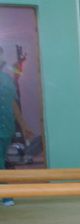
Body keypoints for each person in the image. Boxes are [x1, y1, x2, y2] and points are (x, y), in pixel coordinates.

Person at [1, 45, 34, 207]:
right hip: (6, 128)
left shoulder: (6, 79)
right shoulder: (7, 78)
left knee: (2, 162)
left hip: (5, 128)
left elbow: (13, 105)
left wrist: (24, 125)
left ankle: (6, 196)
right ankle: (6, 196)